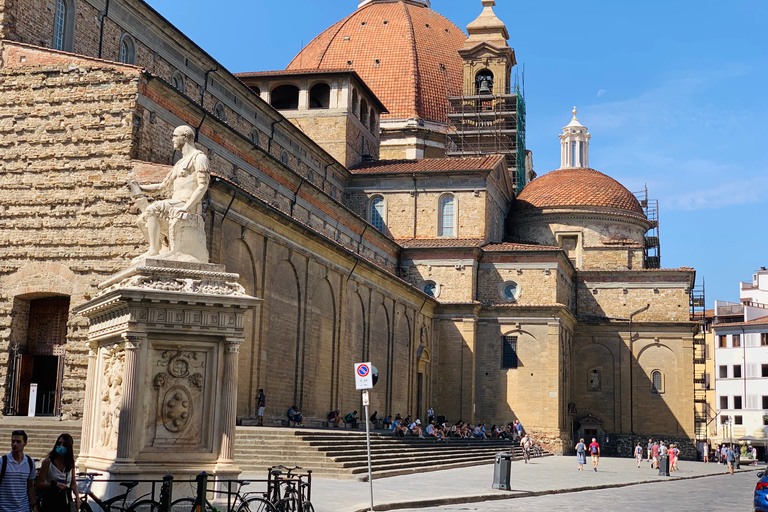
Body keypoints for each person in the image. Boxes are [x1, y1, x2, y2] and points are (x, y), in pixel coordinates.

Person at [127, 125, 210, 262]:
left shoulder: (199, 158)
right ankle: (156, 250)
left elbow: (202, 186)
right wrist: (140, 187)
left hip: (187, 204)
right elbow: (163, 186)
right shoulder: (178, 164)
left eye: (174, 136)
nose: (172, 140)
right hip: (175, 203)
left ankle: (153, 251)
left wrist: (186, 207)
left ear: (185, 137)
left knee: (152, 209)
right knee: (141, 221)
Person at [36, 434, 80, 512]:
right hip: (50, 499)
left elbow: (73, 483)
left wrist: (77, 497)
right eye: (59, 443)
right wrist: (55, 484)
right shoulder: (48, 462)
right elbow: (39, 484)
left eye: (64, 444)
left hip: (65, 499)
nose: (61, 446)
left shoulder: (70, 463)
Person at [0, 430, 37, 512]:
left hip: (23, 509)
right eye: (13, 441)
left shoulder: (30, 462)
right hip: (4, 509)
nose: (15, 444)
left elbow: (30, 486)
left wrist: (34, 504)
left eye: (18, 442)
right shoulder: (2, 462)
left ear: (25, 443)